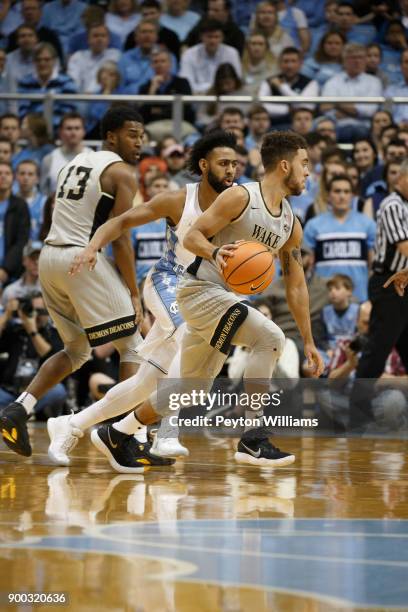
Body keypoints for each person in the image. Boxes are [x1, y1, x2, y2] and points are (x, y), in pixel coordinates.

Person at [70, 131, 324, 470]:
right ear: (283, 165)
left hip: (223, 300)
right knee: (270, 338)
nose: (308, 172)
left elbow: (296, 286)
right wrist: (215, 251)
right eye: (304, 164)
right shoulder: (239, 198)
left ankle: (119, 432)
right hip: (197, 291)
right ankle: (253, 437)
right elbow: (191, 235)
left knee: (191, 389)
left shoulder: (291, 224)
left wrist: (308, 341)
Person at [45, 130, 239, 467]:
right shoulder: (178, 199)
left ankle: (71, 425)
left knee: (143, 384)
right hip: (168, 282)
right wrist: (91, 247)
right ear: (205, 165)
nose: (231, 170)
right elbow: (122, 221)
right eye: (224, 164)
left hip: (206, 292)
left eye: (235, 164)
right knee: (188, 337)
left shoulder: (240, 201)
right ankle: (167, 431)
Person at [0, 106, 148, 459]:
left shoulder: (75, 161)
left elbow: (55, 208)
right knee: (133, 347)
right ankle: (121, 436)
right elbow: (122, 239)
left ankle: (19, 408)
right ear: (110, 135)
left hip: (50, 256)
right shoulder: (122, 174)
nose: (139, 142)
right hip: (81, 259)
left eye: (142, 136)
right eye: (132, 134)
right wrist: (132, 291)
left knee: (77, 350)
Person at [349, 160, 408, 429]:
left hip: (405, 282)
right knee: (377, 350)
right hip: (388, 283)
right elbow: (405, 248)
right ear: (401, 178)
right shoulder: (392, 205)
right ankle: (357, 416)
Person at [304, 174, 376, 302]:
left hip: (359, 297)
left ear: (353, 195)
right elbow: (306, 264)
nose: (342, 196)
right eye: (337, 191)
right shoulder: (313, 225)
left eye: (346, 191)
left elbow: (373, 264)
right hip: (322, 298)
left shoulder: (368, 224)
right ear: (328, 195)